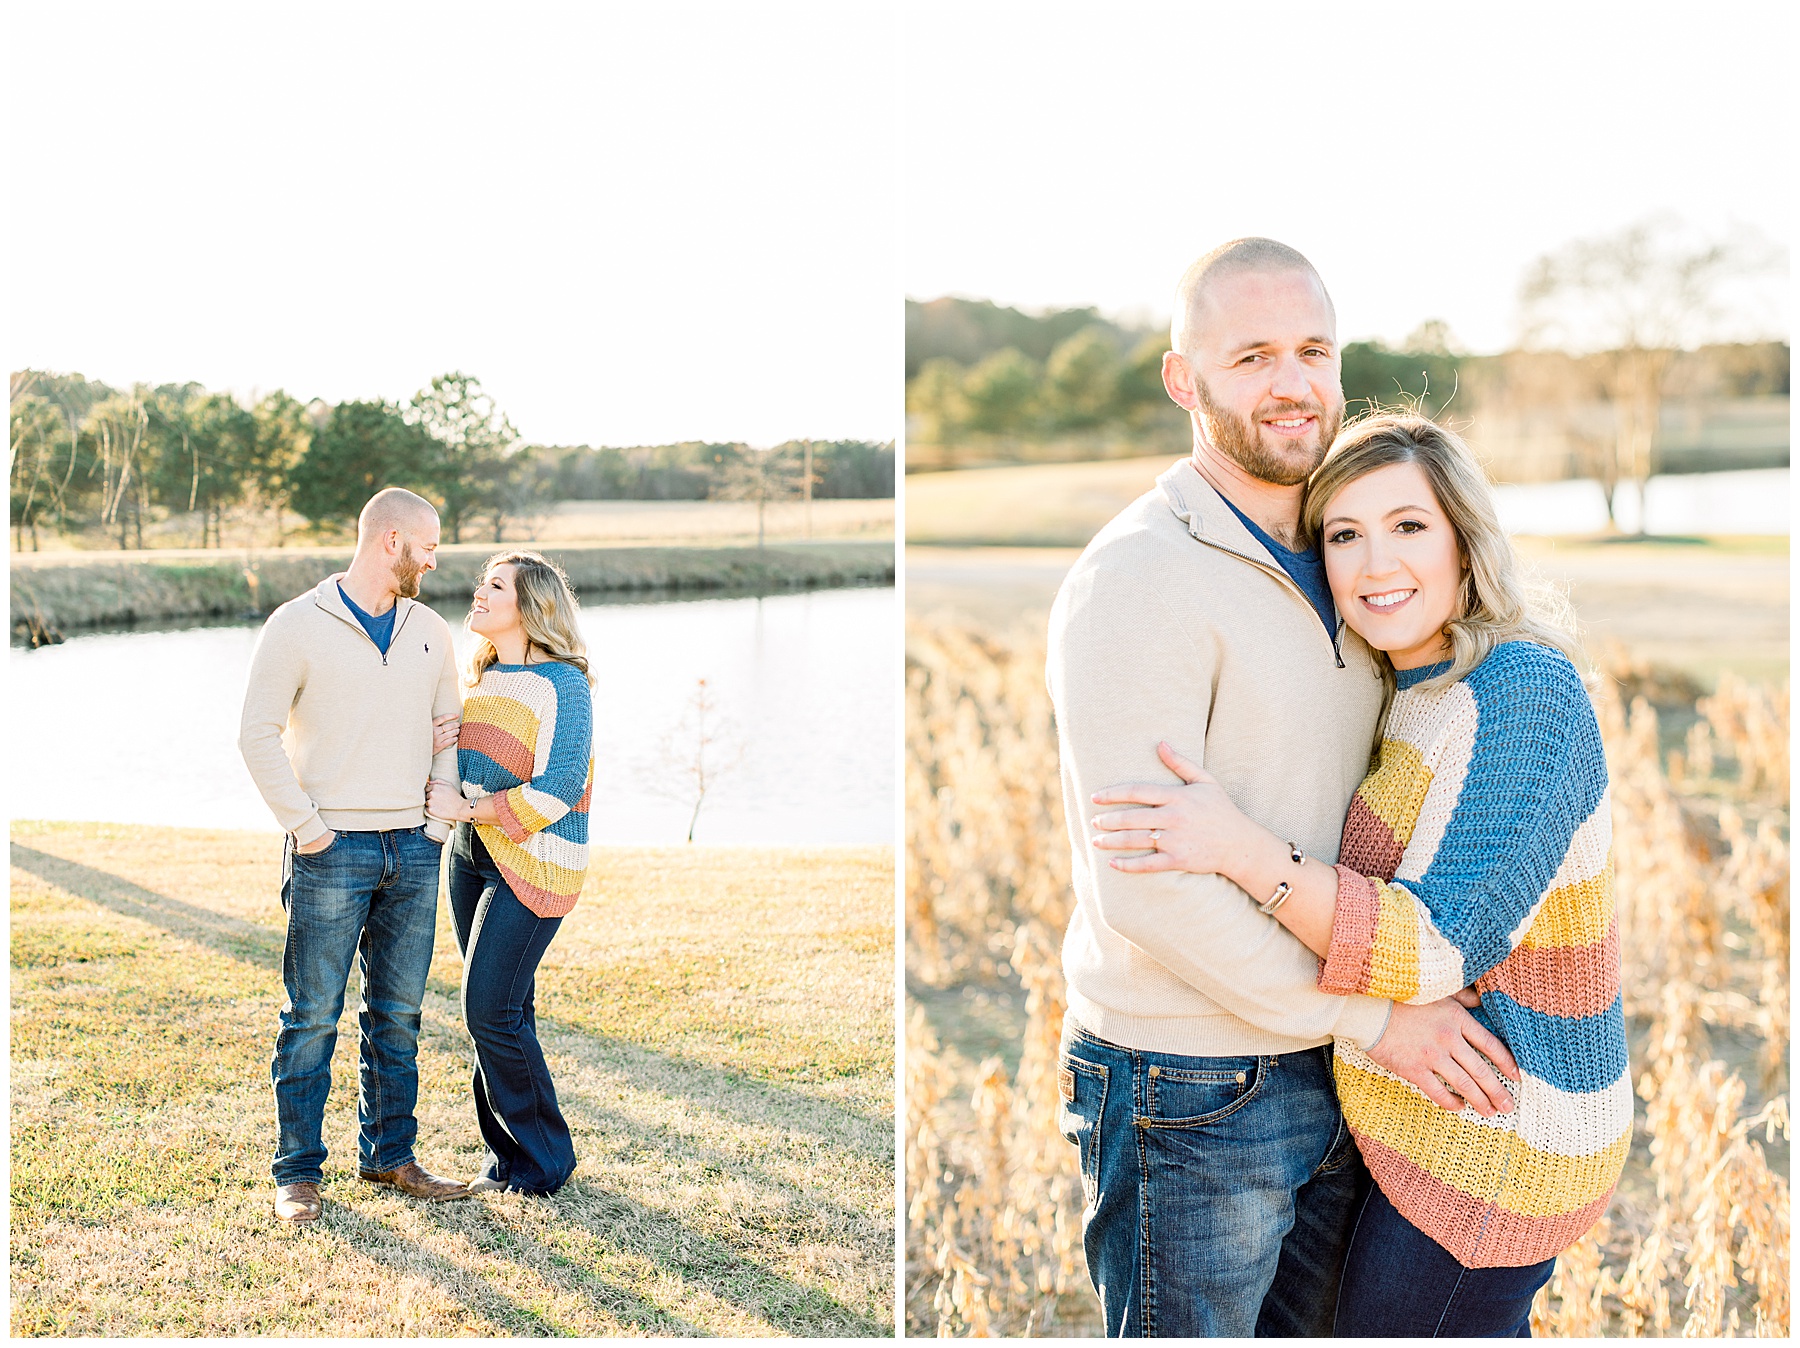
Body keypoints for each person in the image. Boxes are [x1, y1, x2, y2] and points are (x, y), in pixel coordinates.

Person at [1046, 238, 1520, 1337]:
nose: (1293, 382)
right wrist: (1377, 1018)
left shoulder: (1350, 548)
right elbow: (1147, 889)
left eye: (1313, 349)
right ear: (1185, 379)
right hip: (1190, 1083)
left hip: (1338, 1063)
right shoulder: (1138, 578)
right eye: (1252, 355)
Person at [1091, 413, 1629, 1337]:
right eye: (1345, 535)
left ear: (1464, 538)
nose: (1377, 564)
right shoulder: (1410, 692)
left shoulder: (1523, 694)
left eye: (1409, 526)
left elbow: (1436, 947)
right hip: (1418, 1120)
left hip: (1501, 1134)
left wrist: (1242, 848)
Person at [239, 487, 471, 1224]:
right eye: (427, 546)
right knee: (312, 1016)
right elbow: (255, 734)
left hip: (414, 850)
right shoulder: (295, 624)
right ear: (391, 539)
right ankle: (297, 1175)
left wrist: (436, 824)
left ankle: (390, 1156)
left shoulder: (430, 630)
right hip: (329, 850)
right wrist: (307, 829)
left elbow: (449, 729)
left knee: (398, 1016)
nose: (433, 561)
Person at [426, 550, 593, 1195]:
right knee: (503, 1009)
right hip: (471, 857)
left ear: (531, 606)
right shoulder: (484, 677)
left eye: (495, 586)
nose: (480, 592)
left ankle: (544, 1163)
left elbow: (561, 786)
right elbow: (461, 766)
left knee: (488, 1008)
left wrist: (469, 808)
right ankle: (509, 1157)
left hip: (535, 861)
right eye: (482, 583)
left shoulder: (563, 685)